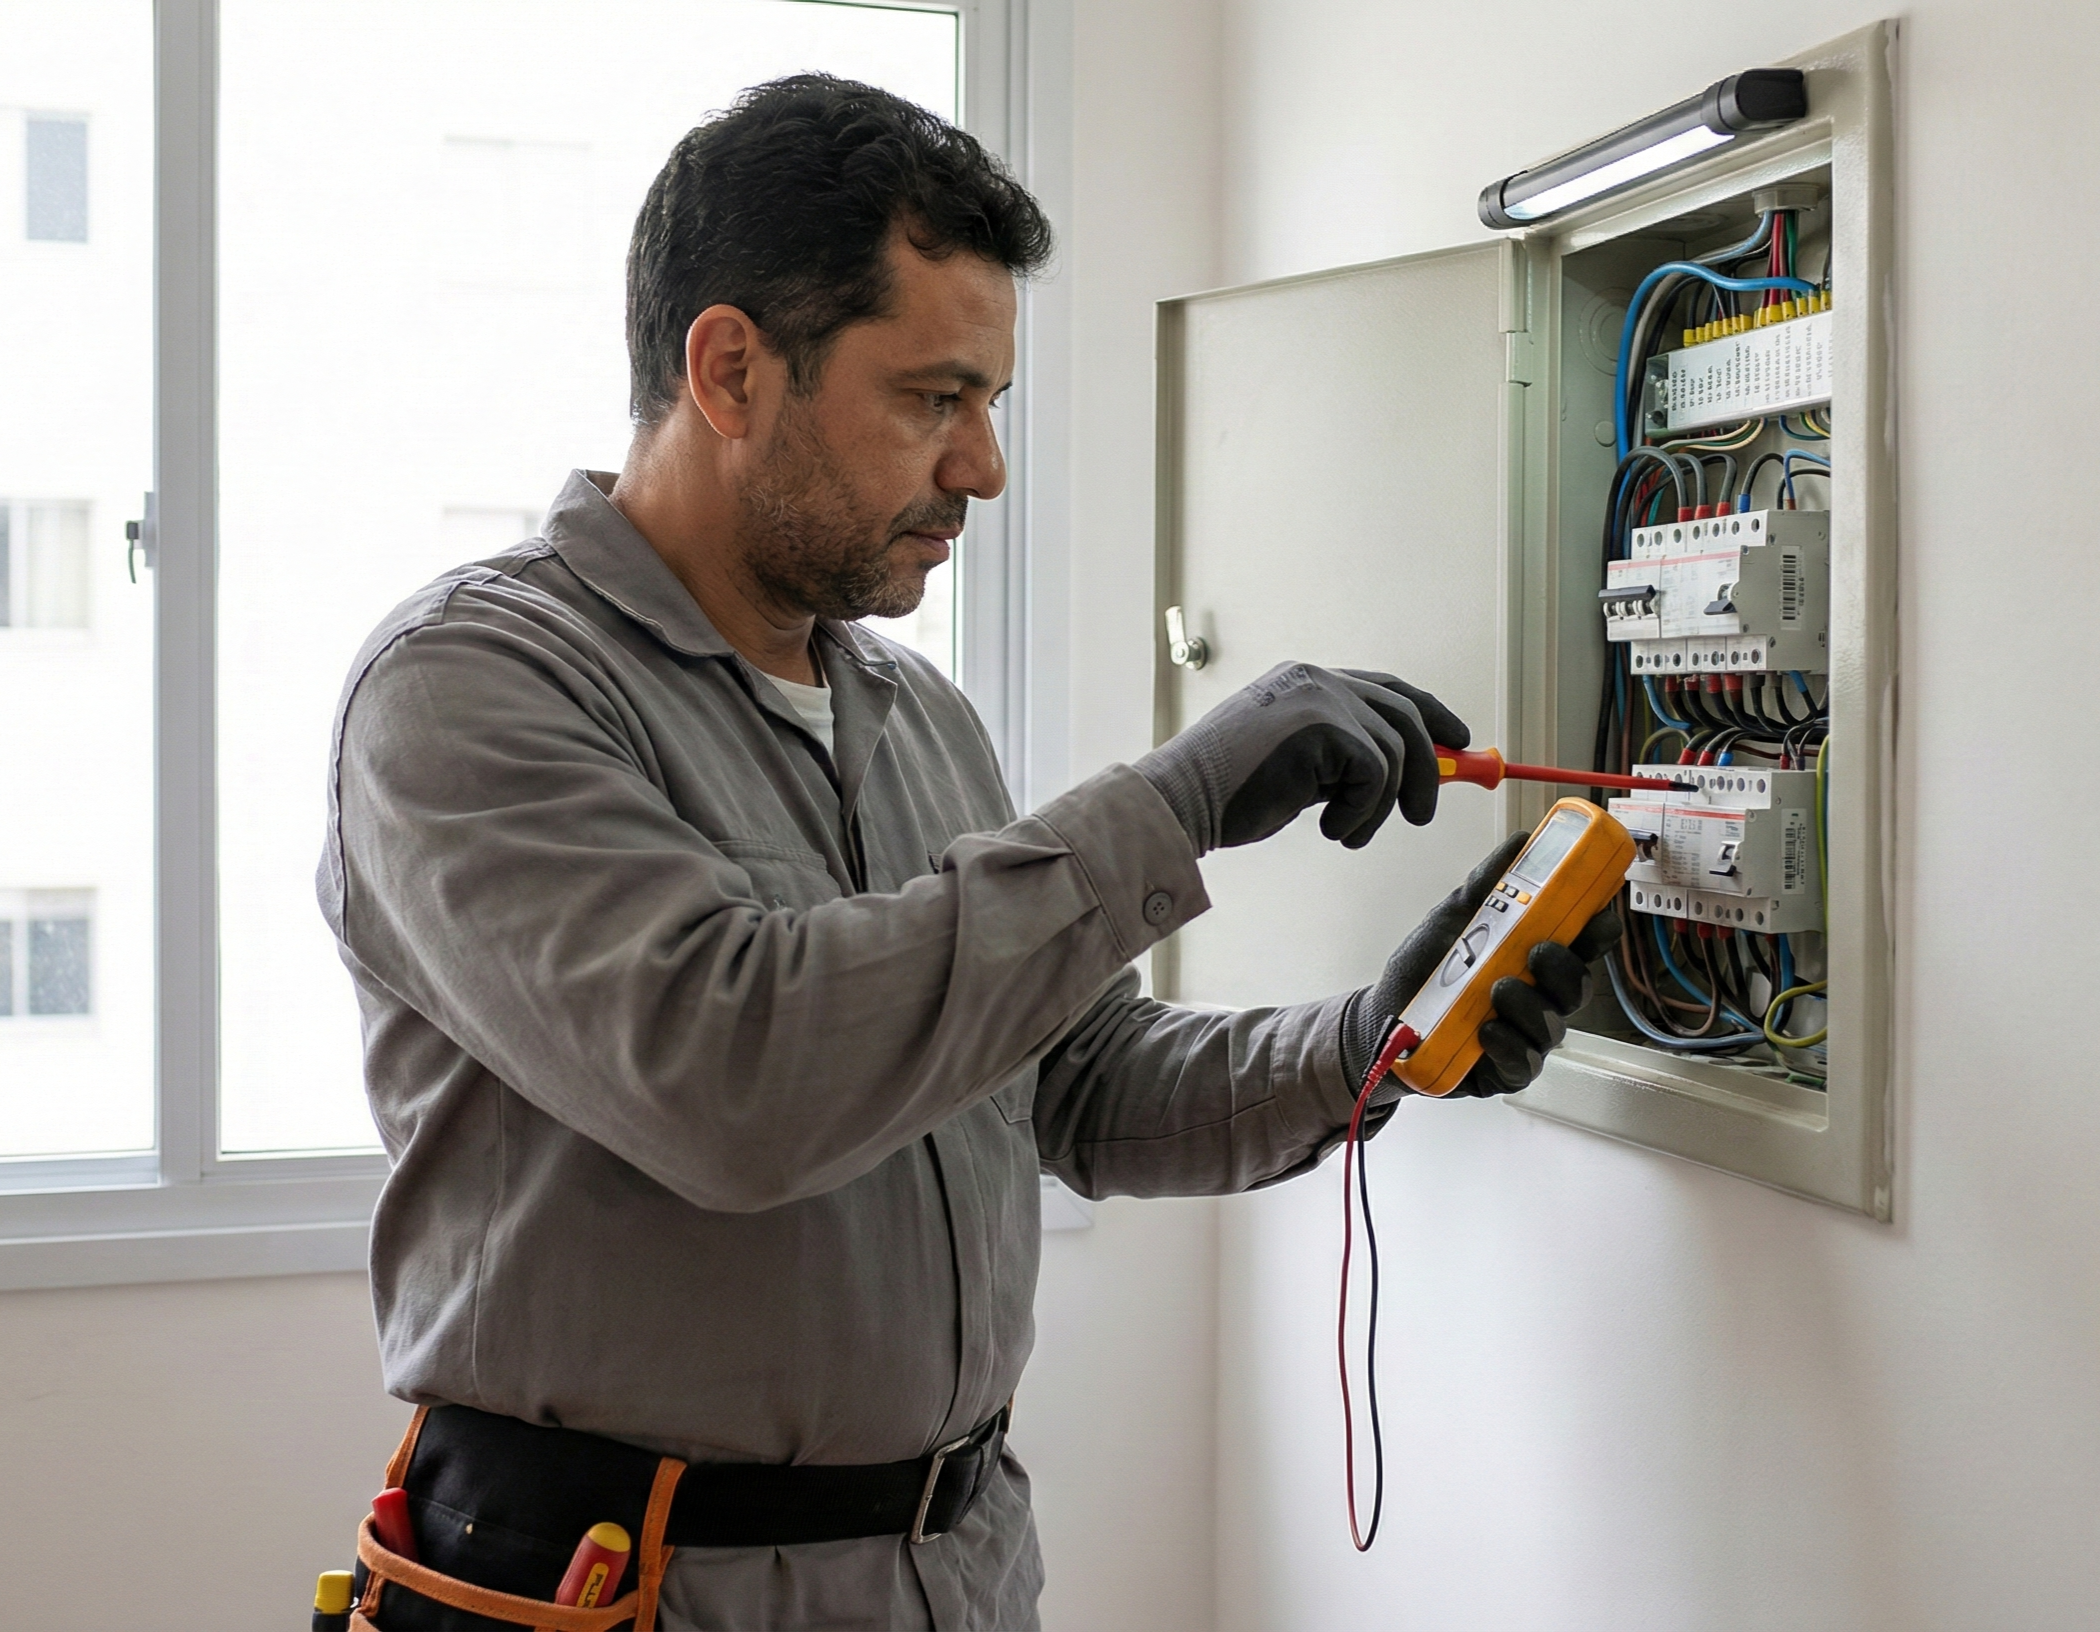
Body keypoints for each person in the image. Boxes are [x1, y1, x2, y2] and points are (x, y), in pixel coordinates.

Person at [319, 73, 1619, 1632]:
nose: (983, 468)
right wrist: (1178, 799)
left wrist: (1375, 1042)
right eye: (935, 399)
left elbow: (1067, 1084)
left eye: (989, 403)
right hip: (635, 1589)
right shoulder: (472, 690)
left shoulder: (911, 711)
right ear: (730, 369)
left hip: (953, 1566)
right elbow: (738, 1074)